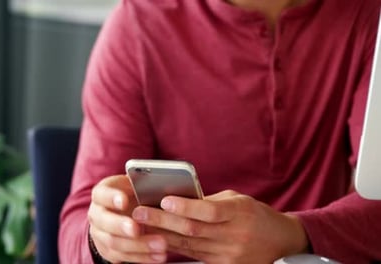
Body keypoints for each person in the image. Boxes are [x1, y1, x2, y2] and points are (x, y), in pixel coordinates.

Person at [59, 0, 381, 263]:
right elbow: (75, 233)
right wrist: (102, 239)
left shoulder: (367, 16)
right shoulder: (137, 26)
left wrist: (293, 233)